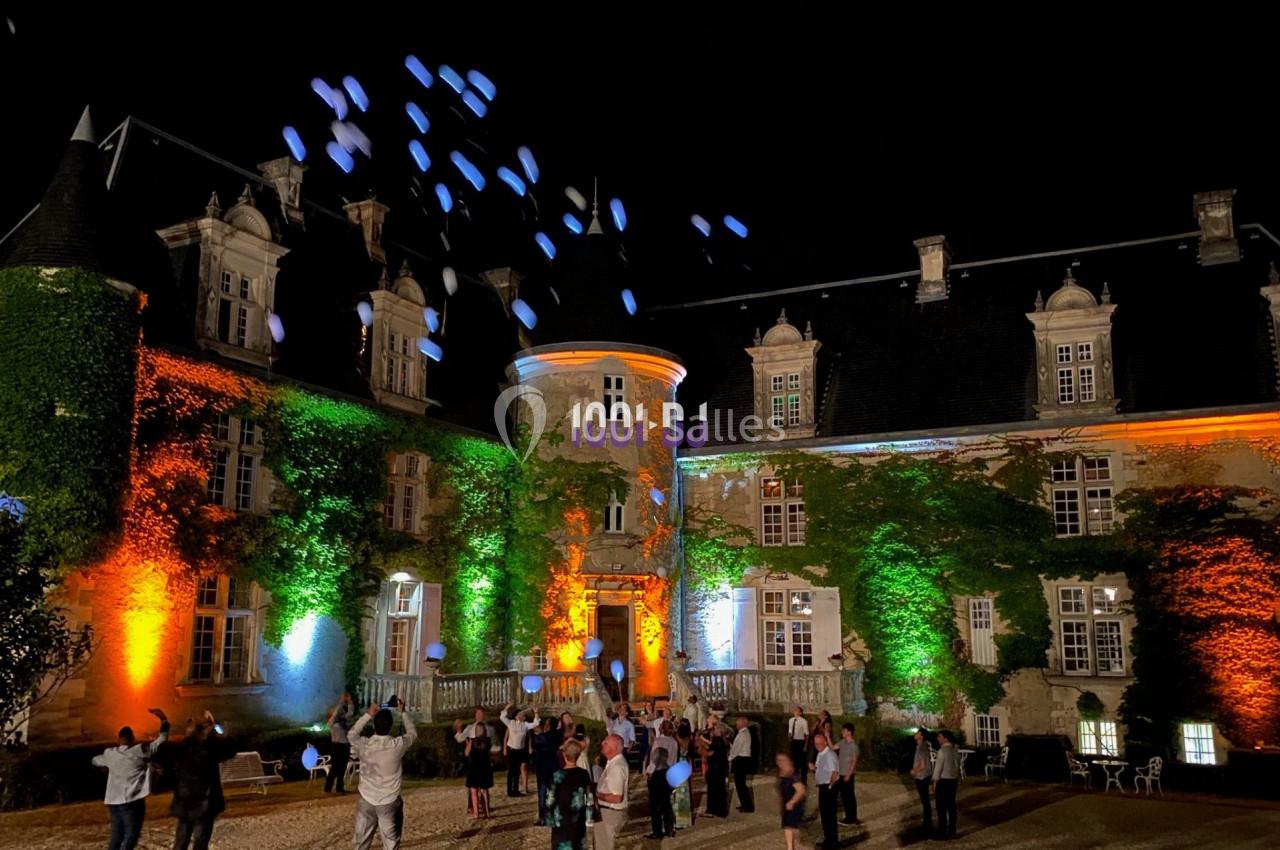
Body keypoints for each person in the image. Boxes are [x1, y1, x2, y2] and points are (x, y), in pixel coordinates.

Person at [92, 707, 168, 850]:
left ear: (119, 739)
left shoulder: (110, 754)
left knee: (116, 836)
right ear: (132, 738)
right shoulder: (140, 751)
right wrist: (163, 720)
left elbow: (95, 760)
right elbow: (161, 740)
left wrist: (106, 766)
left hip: (113, 801)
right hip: (132, 800)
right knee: (131, 835)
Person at [349, 697, 417, 850]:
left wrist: (367, 714)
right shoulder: (396, 745)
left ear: (374, 724)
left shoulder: (365, 745)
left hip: (367, 798)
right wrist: (403, 713)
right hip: (389, 800)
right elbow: (412, 733)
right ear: (391, 726)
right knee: (390, 844)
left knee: (360, 843)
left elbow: (351, 735)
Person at [170, 711, 232, 850]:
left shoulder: (182, 749)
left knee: (181, 841)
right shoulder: (210, 749)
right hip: (205, 802)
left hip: (186, 801)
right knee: (200, 842)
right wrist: (216, 728)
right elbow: (229, 749)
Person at [547, 738, 595, 850]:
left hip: (561, 819)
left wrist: (549, 818)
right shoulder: (584, 774)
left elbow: (550, 800)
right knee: (577, 844)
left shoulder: (557, 776)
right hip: (578, 818)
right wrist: (589, 818)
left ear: (564, 754)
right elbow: (590, 797)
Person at [593, 734, 629, 850]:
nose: (602, 744)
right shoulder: (612, 762)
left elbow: (617, 798)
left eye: (606, 743)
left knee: (604, 846)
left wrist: (598, 795)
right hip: (607, 811)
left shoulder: (617, 767)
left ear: (614, 747)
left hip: (610, 813)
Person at [645, 720, 678, 838]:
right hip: (670, 772)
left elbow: (655, 759)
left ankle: (657, 831)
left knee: (655, 804)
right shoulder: (674, 742)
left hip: (659, 773)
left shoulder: (659, 741)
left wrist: (649, 771)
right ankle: (670, 828)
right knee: (666, 802)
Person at [500, 701, 538, 797]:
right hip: (512, 750)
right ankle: (509, 790)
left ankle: (516, 790)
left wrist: (536, 712)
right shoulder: (511, 723)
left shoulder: (525, 725)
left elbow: (536, 723)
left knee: (517, 771)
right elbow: (502, 717)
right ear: (516, 716)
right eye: (520, 714)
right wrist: (508, 706)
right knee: (511, 771)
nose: (522, 715)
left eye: (522, 714)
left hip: (520, 751)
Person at [531, 718, 561, 827]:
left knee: (543, 794)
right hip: (553, 767)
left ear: (548, 725)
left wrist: (537, 733)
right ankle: (555, 815)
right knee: (554, 792)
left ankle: (543, 818)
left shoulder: (541, 737)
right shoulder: (557, 735)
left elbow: (535, 745)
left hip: (543, 768)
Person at [932, 729, 961, 840]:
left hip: (944, 780)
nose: (938, 738)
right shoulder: (955, 750)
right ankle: (952, 830)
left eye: (940, 736)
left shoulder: (942, 751)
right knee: (951, 806)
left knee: (941, 807)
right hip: (953, 781)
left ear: (946, 738)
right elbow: (958, 765)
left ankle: (942, 831)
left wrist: (935, 782)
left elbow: (938, 768)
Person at [326, 693, 357, 794]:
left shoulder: (342, 722)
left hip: (344, 746)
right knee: (335, 768)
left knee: (342, 768)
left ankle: (340, 788)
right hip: (336, 746)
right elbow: (335, 713)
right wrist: (341, 701)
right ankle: (328, 788)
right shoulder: (331, 723)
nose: (340, 713)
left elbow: (350, 713)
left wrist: (350, 702)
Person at [813, 732, 840, 849]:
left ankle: (833, 842)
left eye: (819, 743)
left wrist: (830, 786)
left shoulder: (830, 754)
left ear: (825, 742)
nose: (817, 745)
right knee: (824, 814)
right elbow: (819, 769)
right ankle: (828, 838)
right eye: (816, 743)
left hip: (829, 787)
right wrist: (812, 768)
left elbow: (835, 772)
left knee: (830, 815)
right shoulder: (820, 754)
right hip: (823, 787)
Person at [776, 752, 807, 850]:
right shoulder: (782, 773)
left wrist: (792, 802)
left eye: (782, 760)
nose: (780, 763)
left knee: (789, 828)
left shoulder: (792, 774)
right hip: (787, 804)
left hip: (793, 805)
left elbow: (801, 790)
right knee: (788, 828)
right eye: (778, 760)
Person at [465, 720, 494, 818]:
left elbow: (466, 753)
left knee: (475, 790)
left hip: (475, 767)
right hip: (484, 767)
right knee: (484, 791)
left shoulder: (473, 741)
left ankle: (477, 813)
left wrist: (468, 743)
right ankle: (486, 812)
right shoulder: (488, 741)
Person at [702, 721, 729, 818]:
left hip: (715, 769)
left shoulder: (717, 740)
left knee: (713, 790)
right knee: (720, 790)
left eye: (716, 728)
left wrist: (703, 751)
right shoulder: (722, 741)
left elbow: (711, 753)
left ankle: (712, 810)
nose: (714, 730)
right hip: (721, 768)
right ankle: (721, 810)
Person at [909, 727, 933, 835]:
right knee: (925, 800)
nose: (915, 734)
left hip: (922, 777)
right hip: (922, 776)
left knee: (925, 801)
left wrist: (914, 771)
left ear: (921, 736)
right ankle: (927, 822)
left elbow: (922, 764)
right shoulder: (920, 747)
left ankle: (927, 823)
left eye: (917, 733)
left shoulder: (922, 747)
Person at [729, 716, 755, 813]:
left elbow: (737, 749)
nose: (736, 724)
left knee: (740, 784)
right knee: (740, 784)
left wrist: (730, 758)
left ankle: (747, 806)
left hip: (741, 760)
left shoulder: (743, 734)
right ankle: (744, 804)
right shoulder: (743, 733)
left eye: (738, 723)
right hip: (742, 759)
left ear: (743, 723)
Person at [672, 722, 694, 829]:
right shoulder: (688, 741)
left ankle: (674, 818)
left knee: (674, 794)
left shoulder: (676, 742)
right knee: (683, 794)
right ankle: (683, 820)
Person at [837, 722, 859, 825]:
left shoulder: (853, 746)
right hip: (841, 773)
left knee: (849, 796)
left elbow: (854, 761)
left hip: (847, 774)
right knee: (845, 796)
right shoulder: (842, 742)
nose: (842, 732)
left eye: (844, 730)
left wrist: (848, 775)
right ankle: (849, 817)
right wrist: (827, 736)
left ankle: (852, 818)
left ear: (849, 732)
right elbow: (833, 747)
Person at [787, 706, 810, 786]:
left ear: (800, 713)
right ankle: (795, 780)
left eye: (797, 711)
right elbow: (790, 730)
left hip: (801, 742)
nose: (795, 712)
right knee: (794, 761)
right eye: (794, 710)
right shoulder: (791, 720)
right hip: (793, 742)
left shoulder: (803, 721)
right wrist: (789, 737)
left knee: (803, 762)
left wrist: (805, 746)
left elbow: (807, 734)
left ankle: (804, 780)